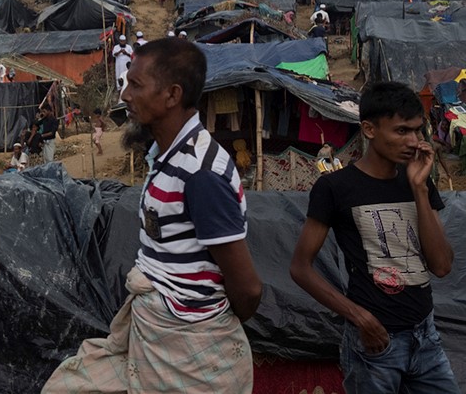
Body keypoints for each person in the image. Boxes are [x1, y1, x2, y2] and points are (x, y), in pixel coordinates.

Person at [43, 39, 261, 391]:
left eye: (136, 85)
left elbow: (248, 289)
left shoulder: (199, 174)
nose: (125, 95)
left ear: (172, 95)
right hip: (159, 331)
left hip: (189, 343)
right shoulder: (167, 156)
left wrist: (198, 326)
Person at [290, 82, 456, 393]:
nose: (413, 141)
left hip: (425, 336)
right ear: (369, 129)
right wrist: (360, 317)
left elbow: (442, 265)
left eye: (418, 131)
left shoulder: (417, 181)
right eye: (401, 131)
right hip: (375, 344)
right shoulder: (336, 188)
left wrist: (420, 188)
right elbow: (300, 267)